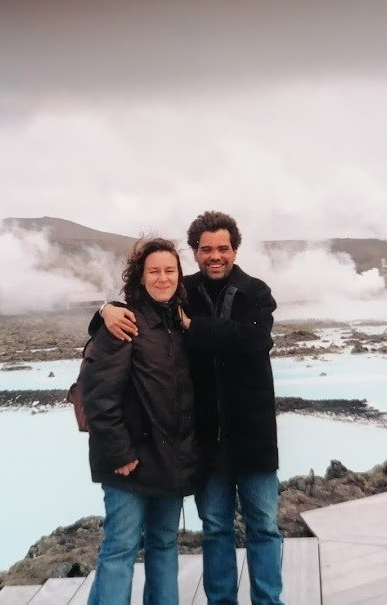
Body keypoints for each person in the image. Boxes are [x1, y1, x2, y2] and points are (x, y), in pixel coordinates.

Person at [100, 211, 283, 604]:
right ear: (195, 253)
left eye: (223, 248)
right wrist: (102, 311)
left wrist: (193, 327)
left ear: (235, 249)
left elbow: (255, 342)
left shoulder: (256, 292)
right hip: (206, 442)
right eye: (206, 249)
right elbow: (140, 308)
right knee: (215, 528)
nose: (215, 256)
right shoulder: (184, 291)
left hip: (253, 437)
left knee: (264, 527)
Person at [81, 238, 201, 605]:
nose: (162, 278)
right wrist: (120, 454)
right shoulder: (124, 321)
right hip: (128, 463)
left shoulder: (180, 322)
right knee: (120, 548)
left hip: (170, 461)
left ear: (179, 275)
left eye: (170, 270)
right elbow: (99, 397)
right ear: (140, 276)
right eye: (154, 271)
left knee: (164, 544)